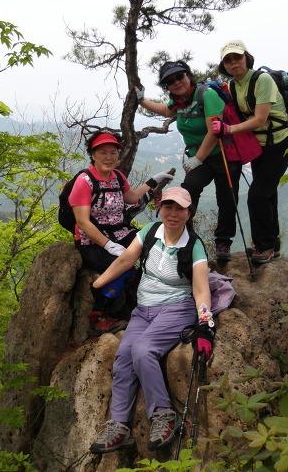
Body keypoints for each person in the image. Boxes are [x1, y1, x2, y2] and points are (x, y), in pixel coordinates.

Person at [88, 186, 215, 454]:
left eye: (180, 208)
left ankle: (164, 415)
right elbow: (125, 260)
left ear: (189, 213)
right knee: (124, 356)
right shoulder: (149, 232)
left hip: (177, 309)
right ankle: (119, 426)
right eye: (168, 206)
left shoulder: (193, 245)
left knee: (143, 350)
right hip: (143, 310)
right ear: (160, 208)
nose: (173, 213)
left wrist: (205, 325)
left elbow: (201, 289)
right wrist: (98, 286)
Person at [70, 130, 174, 334]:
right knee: (123, 266)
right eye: (103, 152)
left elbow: (132, 197)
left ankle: (147, 296)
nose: (109, 157)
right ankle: (98, 316)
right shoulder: (84, 180)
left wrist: (154, 180)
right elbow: (82, 221)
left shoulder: (117, 177)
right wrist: (108, 245)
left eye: (113, 152)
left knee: (156, 250)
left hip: (120, 233)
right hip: (91, 241)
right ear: (93, 155)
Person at [137, 61, 241, 262]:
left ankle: (223, 243)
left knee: (227, 198)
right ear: (167, 87)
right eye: (170, 81)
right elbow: (165, 110)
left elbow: (214, 131)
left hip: (222, 154)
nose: (176, 82)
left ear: (188, 76)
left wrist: (198, 159)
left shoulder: (207, 95)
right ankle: (187, 237)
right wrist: (142, 100)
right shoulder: (178, 102)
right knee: (188, 192)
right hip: (198, 157)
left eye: (180, 76)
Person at [212, 40, 288, 264]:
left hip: (279, 143)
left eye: (237, 57)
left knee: (257, 195)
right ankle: (271, 244)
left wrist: (228, 129)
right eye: (228, 59)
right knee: (267, 193)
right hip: (261, 146)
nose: (233, 62)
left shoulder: (262, 79)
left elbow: (260, 119)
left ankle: (264, 246)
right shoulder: (233, 85)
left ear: (246, 58)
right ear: (224, 65)